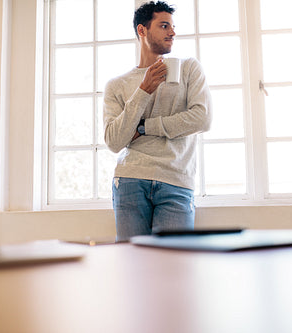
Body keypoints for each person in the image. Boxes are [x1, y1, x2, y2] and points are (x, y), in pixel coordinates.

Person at [103, 1, 212, 241]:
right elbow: (113, 141)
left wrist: (143, 127)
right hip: (131, 179)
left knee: (173, 264)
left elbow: (202, 119)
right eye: (164, 26)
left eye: (172, 26)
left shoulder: (189, 69)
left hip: (176, 179)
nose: (172, 32)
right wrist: (143, 90)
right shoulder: (117, 85)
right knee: (133, 265)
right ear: (142, 30)